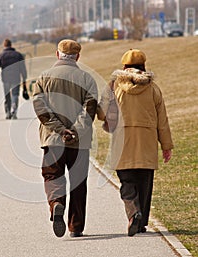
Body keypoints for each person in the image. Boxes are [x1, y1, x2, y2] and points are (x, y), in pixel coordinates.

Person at [97, 49, 174, 237]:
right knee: (145, 182)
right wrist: (166, 146)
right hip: (147, 140)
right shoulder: (153, 88)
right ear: (143, 66)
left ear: (124, 66)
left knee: (127, 181)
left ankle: (133, 213)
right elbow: (162, 119)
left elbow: (101, 113)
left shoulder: (113, 86)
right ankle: (141, 222)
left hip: (122, 140)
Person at [33, 39, 98, 238]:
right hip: (80, 143)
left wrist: (60, 130)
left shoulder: (43, 78)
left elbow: (40, 108)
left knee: (52, 176)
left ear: (57, 54)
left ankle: (56, 204)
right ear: (77, 56)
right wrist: (74, 131)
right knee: (78, 183)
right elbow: (90, 109)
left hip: (52, 140)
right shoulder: (87, 79)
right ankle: (76, 226)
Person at [0, 39, 27, 120]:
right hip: (16, 77)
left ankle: (8, 112)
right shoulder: (18, 55)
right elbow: (23, 68)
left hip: (5, 78)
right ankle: (14, 109)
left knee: (7, 95)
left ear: (4, 45)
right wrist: (24, 77)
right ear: (11, 45)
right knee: (15, 94)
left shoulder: (1, 55)